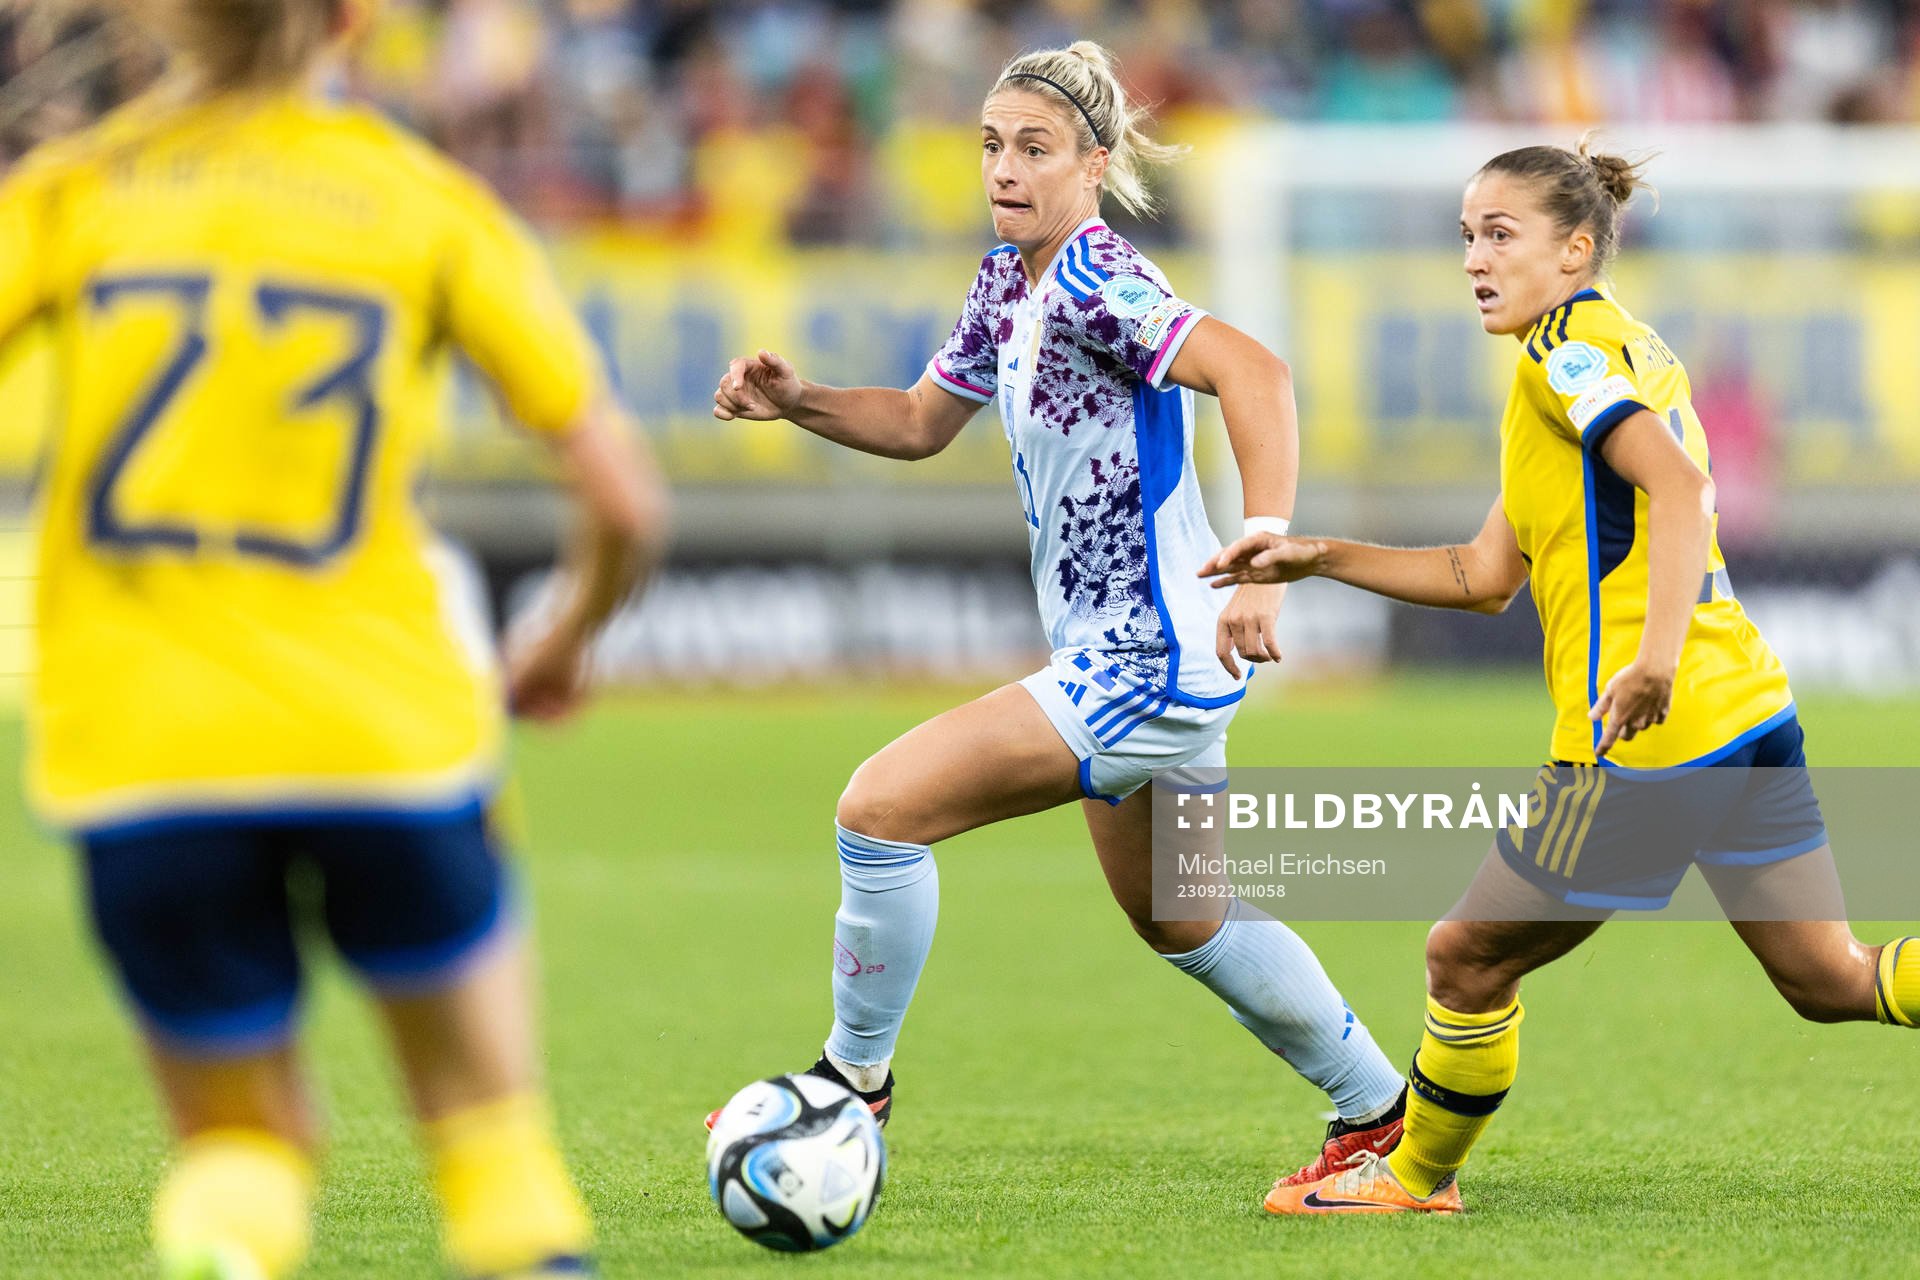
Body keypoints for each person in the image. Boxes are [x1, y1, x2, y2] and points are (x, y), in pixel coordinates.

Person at [0, 2, 666, 1274]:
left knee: (238, 1154)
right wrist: (562, 635)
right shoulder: (422, 203)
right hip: (383, 737)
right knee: (489, 1145)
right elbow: (627, 500)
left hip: (139, 747)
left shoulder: (75, 190)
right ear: (355, 21)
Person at [709, 40, 1407, 1181]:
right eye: (992, 145)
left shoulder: (1098, 280)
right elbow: (920, 422)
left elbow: (1258, 372)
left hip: (1151, 653)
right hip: (1123, 653)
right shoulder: (1006, 281)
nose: (1005, 168)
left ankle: (847, 1088)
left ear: (1094, 164)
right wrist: (802, 401)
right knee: (1183, 916)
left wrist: (1268, 545)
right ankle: (1379, 1112)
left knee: (879, 808)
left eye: (1035, 148)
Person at [1205, 138, 1920, 1215]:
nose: (1472, 259)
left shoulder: (1565, 355)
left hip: (1655, 736)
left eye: (1500, 234)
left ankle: (1412, 1178)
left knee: (1465, 957)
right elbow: (1485, 575)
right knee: (1831, 979)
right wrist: (1320, 556)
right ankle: (1414, 1172)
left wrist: (1651, 663)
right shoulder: (1608, 347)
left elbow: (1674, 488)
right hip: (1746, 711)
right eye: (1466, 237)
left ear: (1574, 249)